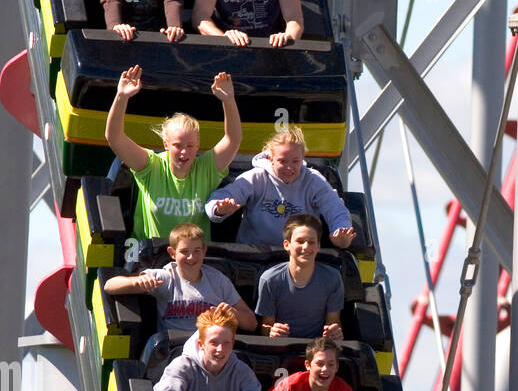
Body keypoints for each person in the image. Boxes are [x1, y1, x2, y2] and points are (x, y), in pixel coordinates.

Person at [105, 65, 242, 241]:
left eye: (190, 146)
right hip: (151, 257)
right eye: (178, 145)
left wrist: (228, 100)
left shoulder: (206, 169)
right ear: (166, 144)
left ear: (198, 145)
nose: (184, 152)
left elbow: (233, 140)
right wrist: (121, 96)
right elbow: (114, 137)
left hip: (193, 258)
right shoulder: (151, 166)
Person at [206, 127, 355, 248]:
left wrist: (340, 232)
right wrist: (219, 209)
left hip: (298, 254)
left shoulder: (313, 180)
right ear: (271, 159)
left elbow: (335, 209)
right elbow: (219, 198)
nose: (289, 167)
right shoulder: (257, 177)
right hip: (256, 254)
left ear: (303, 158)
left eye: (295, 161)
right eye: (283, 161)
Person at [103, 222, 256, 331]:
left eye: (197, 251)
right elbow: (109, 285)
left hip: (210, 350)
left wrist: (233, 314)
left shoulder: (218, 281)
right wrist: (138, 282)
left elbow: (252, 323)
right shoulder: (167, 278)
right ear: (172, 253)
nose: (191, 257)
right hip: (175, 350)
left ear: (204, 251)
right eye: (184, 252)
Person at [152, 302, 276, 391]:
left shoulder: (241, 371)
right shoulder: (182, 366)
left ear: (233, 343)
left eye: (226, 343)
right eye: (214, 343)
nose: (220, 349)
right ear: (201, 344)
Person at [255, 214, 343, 340]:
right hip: (281, 348)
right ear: (287, 245)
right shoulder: (270, 279)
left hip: (317, 349)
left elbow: (333, 321)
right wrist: (272, 331)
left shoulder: (333, 278)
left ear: (318, 246)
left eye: (311, 242)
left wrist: (335, 332)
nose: (306, 247)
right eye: (300, 241)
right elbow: (266, 325)